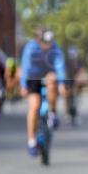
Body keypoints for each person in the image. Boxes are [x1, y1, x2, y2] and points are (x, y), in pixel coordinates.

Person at [19, 28, 67, 157]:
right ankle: (31, 141)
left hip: (47, 74)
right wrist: (23, 86)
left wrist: (62, 84)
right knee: (34, 106)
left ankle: (52, 113)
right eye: (45, 43)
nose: (48, 46)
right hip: (33, 77)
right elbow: (26, 67)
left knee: (53, 80)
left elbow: (59, 66)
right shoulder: (31, 48)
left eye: (50, 43)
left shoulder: (55, 48)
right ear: (39, 41)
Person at [63, 46, 87, 123]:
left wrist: (80, 77)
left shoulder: (79, 61)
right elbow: (63, 71)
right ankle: (67, 112)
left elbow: (82, 70)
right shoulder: (66, 61)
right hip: (68, 80)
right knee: (67, 95)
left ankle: (76, 109)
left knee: (77, 92)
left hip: (76, 81)